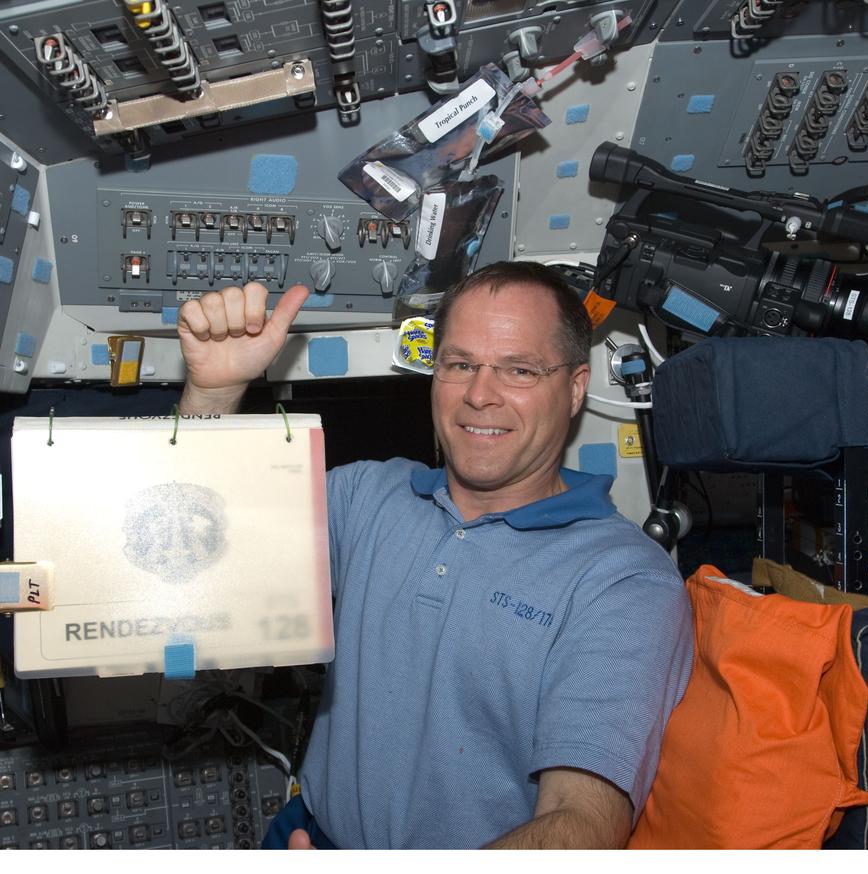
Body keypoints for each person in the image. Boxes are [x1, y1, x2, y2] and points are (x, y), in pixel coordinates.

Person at [176, 261, 693, 849]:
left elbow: (583, 825)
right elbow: (193, 556)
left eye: (519, 370)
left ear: (575, 389)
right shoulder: (366, 495)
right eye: (460, 364)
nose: (479, 394)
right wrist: (213, 397)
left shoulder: (622, 580)